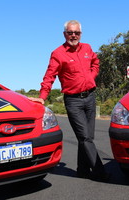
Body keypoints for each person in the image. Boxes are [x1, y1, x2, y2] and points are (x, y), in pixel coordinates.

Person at [28, 20, 110, 181]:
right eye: (70, 32)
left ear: (81, 33)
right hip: (74, 101)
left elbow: (96, 62)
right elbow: (49, 76)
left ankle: (83, 170)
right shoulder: (58, 53)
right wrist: (42, 97)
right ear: (64, 34)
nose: (74, 35)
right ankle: (100, 172)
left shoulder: (87, 48)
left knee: (87, 138)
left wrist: (92, 76)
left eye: (77, 33)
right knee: (85, 137)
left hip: (90, 97)